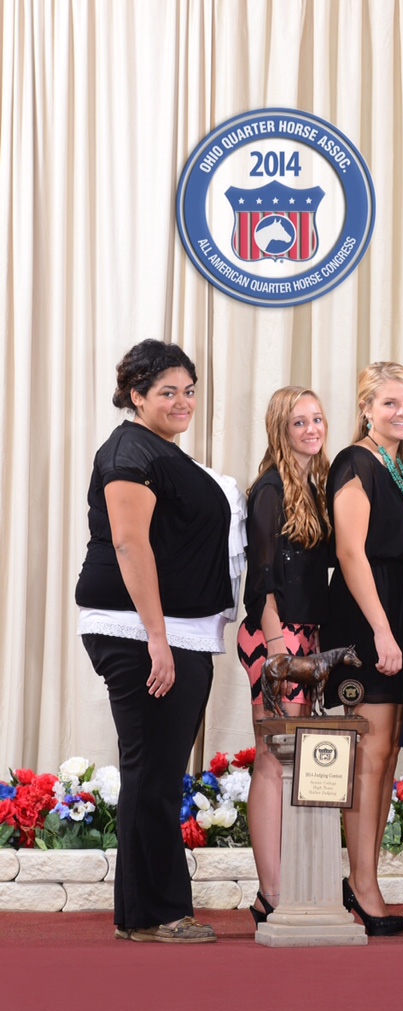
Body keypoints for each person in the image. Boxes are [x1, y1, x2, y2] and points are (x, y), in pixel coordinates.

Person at [76, 339, 241, 943]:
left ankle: (141, 913)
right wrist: (157, 639)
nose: (182, 401)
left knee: (158, 771)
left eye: (189, 390)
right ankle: (160, 912)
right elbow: (128, 543)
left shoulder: (163, 451)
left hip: (176, 632)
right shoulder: (129, 450)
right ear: (135, 395)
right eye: (166, 391)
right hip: (142, 632)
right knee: (152, 770)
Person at [325, 362, 403, 936]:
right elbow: (350, 552)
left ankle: (366, 875)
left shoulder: (397, 464)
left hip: (395, 602)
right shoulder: (354, 461)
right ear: (366, 408)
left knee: (386, 755)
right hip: (366, 614)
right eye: (389, 403)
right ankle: (362, 886)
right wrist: (382, 632)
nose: (402, 412)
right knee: (370, 753)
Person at [237, 386, 331, 928]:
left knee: (292, 758)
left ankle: (284, 881)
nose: (312, 429)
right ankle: (270, 890)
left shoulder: (311, 487)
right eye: (300, 422)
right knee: (273, 758)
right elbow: (263, 578)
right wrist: (277, 648)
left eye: (317, 419)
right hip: (276, 637)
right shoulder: (270, 489)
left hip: (306, 635)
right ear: (280, 429)